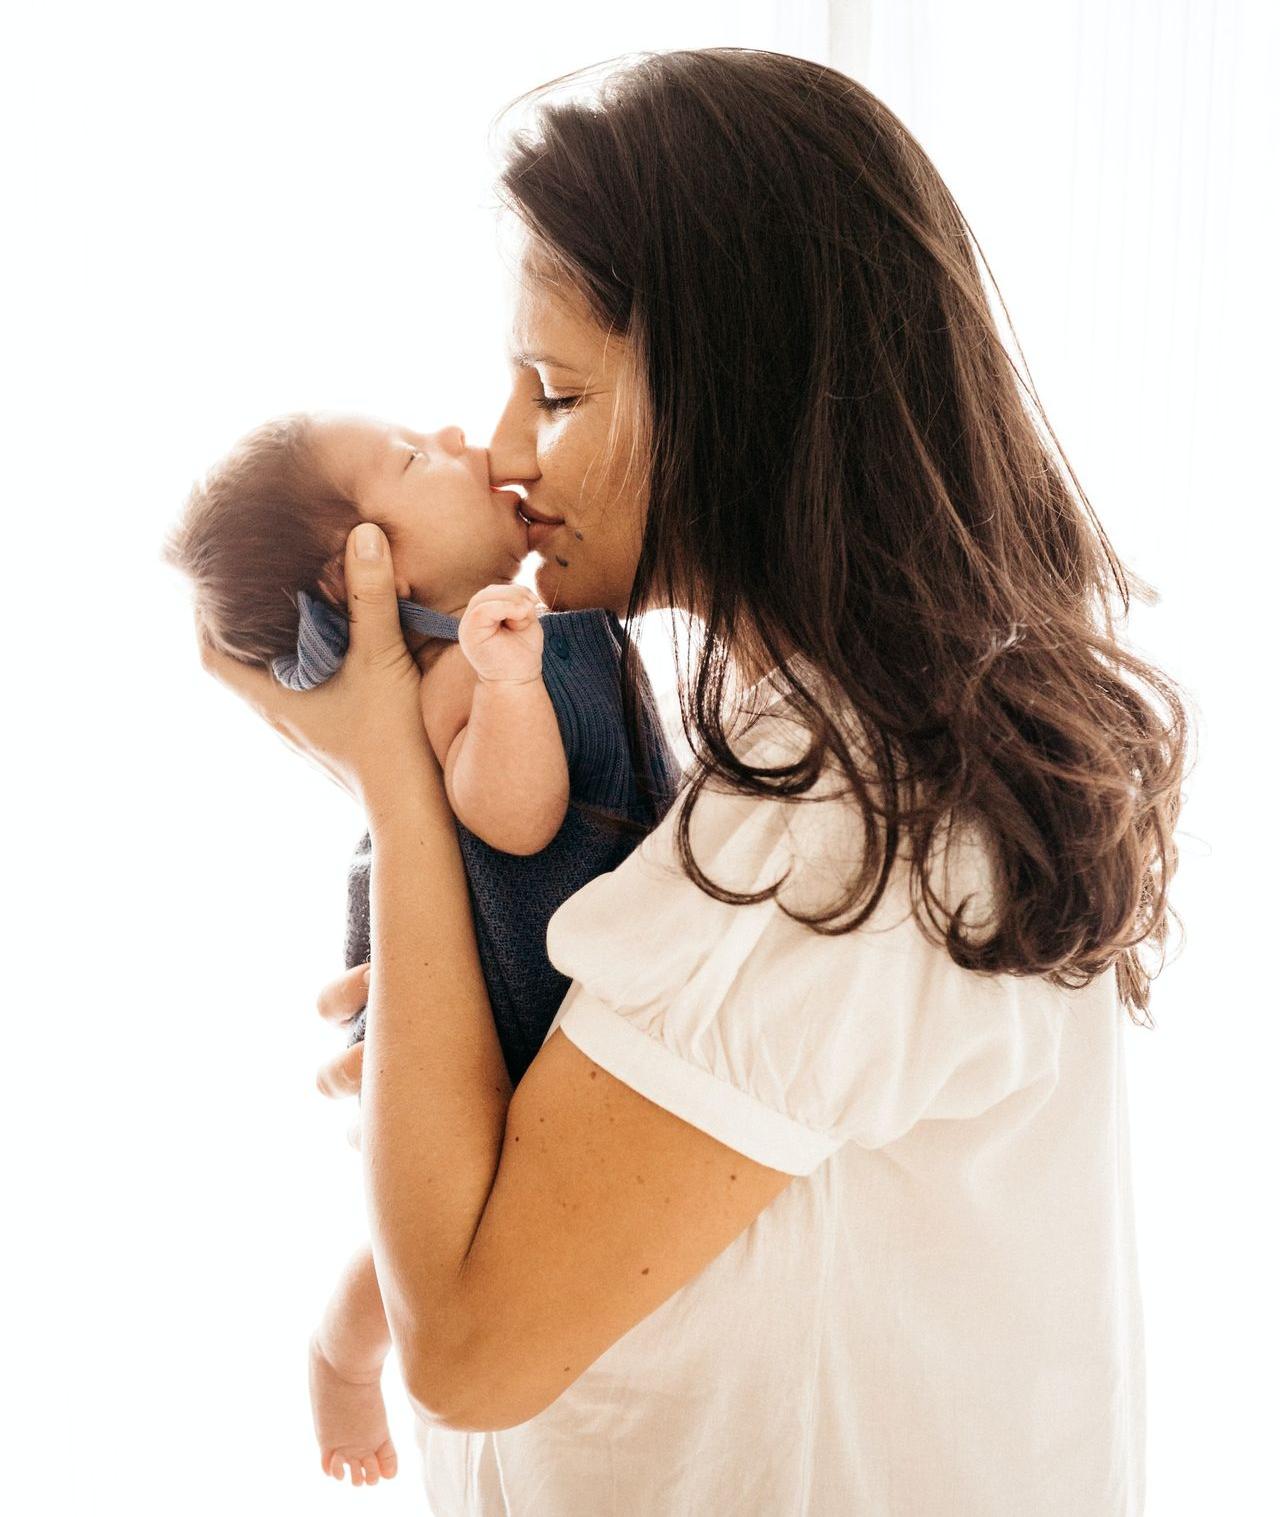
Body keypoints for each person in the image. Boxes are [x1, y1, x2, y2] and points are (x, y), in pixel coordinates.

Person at [197, 49, 1188, 1515]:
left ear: (743, 392)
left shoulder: (843, 819)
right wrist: (442, 1032)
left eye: (561, 389)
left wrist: (394, 786)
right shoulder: (811, 747)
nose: (511, 449)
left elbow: (465, 1350)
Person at [164, 411, 678, 1481]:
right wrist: (505, 689)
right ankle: (340, 1355)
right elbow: (518, 815)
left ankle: (347, 1342)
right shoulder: (460, 678)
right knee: (429, 1243)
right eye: (409, 457)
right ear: (370, 570)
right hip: (501, 1004)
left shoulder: (502, 637)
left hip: (516, 997)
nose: (452, 436)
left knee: (445, 1226)